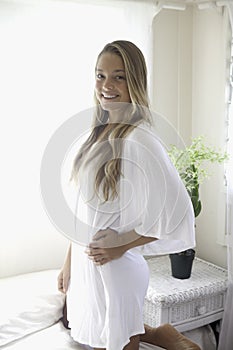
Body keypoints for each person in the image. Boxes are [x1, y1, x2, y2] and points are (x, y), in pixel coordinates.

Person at [58, 40, 197, 350]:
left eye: (118, 76)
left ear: (134, 81)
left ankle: (157, 335)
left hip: (116, 271)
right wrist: (68, 264)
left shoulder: (140, 139)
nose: (107, 85)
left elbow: (176, 214)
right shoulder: (97, 132)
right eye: (100, 75)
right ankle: (158, 334)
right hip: (88, 266)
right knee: (79, 324)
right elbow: (82, 209)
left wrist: (122, 244)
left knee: (118, 340)